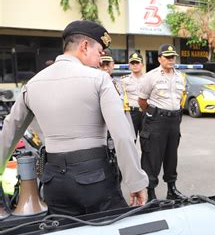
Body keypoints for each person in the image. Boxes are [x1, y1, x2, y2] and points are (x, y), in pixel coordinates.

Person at [0, 20, 148, 215]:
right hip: (95, 180)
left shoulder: (33, 84)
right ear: (85, 46)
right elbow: (122, 135)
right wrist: (135, 181)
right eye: (99, 52)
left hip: (53, 183)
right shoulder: (100, 79)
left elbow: (9, 132)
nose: (100, 60)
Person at [138, 44, 186, 201]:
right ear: (159, 58)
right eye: (167, 57)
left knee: (172, 156)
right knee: (153, 156)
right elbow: (142, 101)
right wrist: (153, 114)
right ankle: (150, 192)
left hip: (174, 120)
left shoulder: (180, 76)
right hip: (157, 120)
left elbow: (180, 98)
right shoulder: (151, 76)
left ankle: (171, 188)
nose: (171, 60)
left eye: (173, 57)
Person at [99, 49, 134, 136]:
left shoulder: (119, 84)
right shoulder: (92, 85)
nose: (105, 68)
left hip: (116, 131)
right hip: (99, 131)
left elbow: (125, 111)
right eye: (102, 65)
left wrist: (130, 133)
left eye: (107, 64)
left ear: (113, 65)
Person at [120, 52, 145, 139]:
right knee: (130, 141)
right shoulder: (124, 80)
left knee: (147, 142)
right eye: (132, 63)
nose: (135, 65)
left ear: (142, 65)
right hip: (131, 114)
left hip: (145, 113)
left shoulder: (148, 79)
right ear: (129, 65)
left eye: (137, 63)